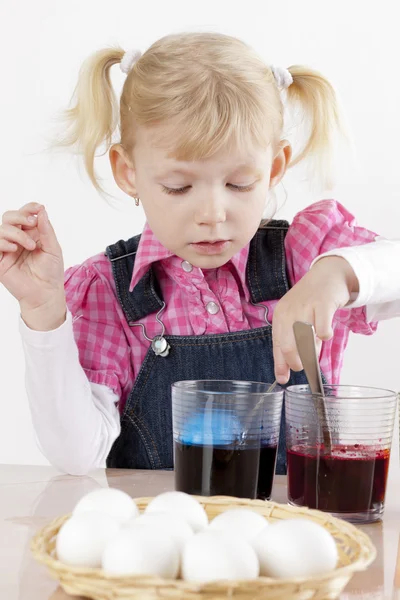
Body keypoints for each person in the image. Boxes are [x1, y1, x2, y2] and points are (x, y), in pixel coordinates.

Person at [1, 32, 400, 476]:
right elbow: (77, 455)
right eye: (179, 186)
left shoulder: (306, 256)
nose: (213, 213)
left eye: (238, 184)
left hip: (292, 527)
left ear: (273, 168)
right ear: (128, 172)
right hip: (166, 535)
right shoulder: (108, 293)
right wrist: (43, 312)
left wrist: (339, 274)